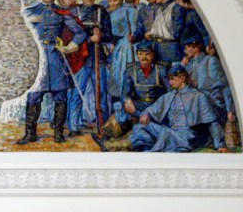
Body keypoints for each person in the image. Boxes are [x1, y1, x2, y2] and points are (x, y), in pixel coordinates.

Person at [97, 64, 229, 153]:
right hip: (170, 132)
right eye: (169, 79)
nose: (170, 83)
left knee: (160, 134)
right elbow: (152, 109)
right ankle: (113, 146)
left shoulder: (198, 96)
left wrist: (220, 145)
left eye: (173, 79)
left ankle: (113, 146)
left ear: (182, 78)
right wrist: (146, 114)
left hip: (187, 137)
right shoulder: (169, 96)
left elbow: (212, 123)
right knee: (142, 129)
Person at [18, 0, 86, 144]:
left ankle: (58, 133)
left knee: (60, 96)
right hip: (37, 59)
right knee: (33, 96)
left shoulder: (62, 12)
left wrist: (70, 47)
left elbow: (80, 33)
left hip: (56, 59)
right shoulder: (29, 12)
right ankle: (30, 134)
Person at [67, 0, 113, 136]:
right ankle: (73, 127)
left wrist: (100, 36)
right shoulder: (74, 12)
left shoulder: (102, 12)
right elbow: (70, 36)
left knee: (101, 95)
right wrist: (89, 39)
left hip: (99, 59)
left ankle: (102, 127)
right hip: (80, 60)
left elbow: (109, 35)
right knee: (77, 94)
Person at [103, 41, 169, 142]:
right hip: (138, 105)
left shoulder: (161, 70)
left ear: (152, 54)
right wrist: (127, 100)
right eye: (141, 54)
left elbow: (170, 92)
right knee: (119, 113)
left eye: (147, 54)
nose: (144, 57)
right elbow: (125, 92)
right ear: (137, 55)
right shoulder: (130, 70)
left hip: (156, 107)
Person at [182, 33, 235, 126]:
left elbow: (225, 87)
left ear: (195, 48)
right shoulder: (189, 65)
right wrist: (182, 66)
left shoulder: (210, 61)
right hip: (198, 108)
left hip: (214, 107)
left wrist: (230, 110)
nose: (185, 51)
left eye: (187, 48)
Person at [106, 0, 137, 130]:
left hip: (126, 49)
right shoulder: (111, 13)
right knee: (118, 81)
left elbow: (132, 31)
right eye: (111, 1)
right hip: (120, 48)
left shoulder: (125, 12)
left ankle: (124, 119)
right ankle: (119, 119)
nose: (113, 3)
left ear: (121, 0)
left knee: (123, 80)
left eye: (116, 0)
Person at [144, 0, 185, 64]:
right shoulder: (159, 9)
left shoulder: (176, 9)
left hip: (171, 51)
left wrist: (157, 33)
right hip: (158, 50)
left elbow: (177, 33)